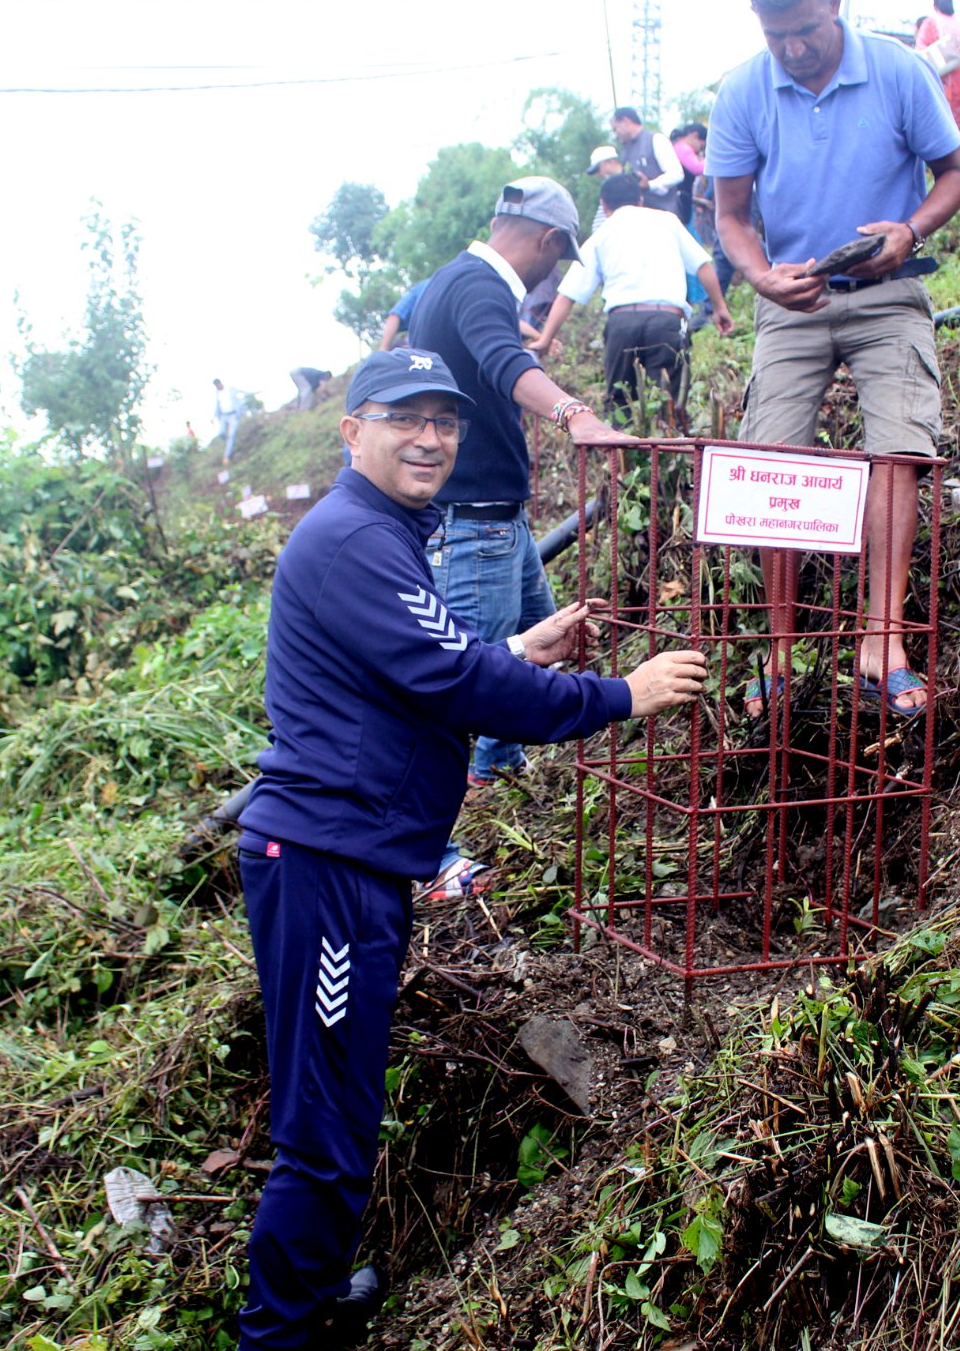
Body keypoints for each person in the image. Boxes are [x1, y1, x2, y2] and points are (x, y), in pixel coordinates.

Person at [230, 347, 706, 1350]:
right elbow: (454, 687)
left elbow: (417, 665)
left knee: (343, 1103)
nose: (431, 438)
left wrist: (521, 650)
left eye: (445, 421)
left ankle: (308, 1294)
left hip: (349, 858)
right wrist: (622, 695)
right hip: (325, 864)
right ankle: (279, 1334)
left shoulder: (387, 532)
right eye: (405, 418)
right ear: (350, 430)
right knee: (322, 1126)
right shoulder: (357, 537)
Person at [709, 0, 960, 718]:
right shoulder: (741, 91)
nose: (792, 50)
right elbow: (731, 215)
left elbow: (957, 173)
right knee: (771, 461)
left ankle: (881, 644)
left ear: (835, 3)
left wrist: (909, 232)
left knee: (896, 452)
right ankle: (782, 652)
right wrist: (762, 276)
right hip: (793, 298)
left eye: (804, 32)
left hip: (888, 292)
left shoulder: (898, 71)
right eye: (776, 37)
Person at [404, 178, 633, 792]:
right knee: (464, 687)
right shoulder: (482, 285)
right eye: (557, 261)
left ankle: (501, 768)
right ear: (547, 239)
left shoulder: (449, 280)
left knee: (543, 640)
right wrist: (576, 415)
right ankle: (444, 844)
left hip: (496, 521)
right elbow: (504, 361)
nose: (550, 277)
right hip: (474, 524)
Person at [528, 174, 735, 430]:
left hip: (622, 325)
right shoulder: (667, 222)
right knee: (670, 404)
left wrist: (546, 338)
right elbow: (703, 266)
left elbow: (568, 294)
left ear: (604, 205)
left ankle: (621, 464)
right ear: (640, 198)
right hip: (666, 321)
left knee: (620, 405)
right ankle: (671, 461)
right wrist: (720, 308)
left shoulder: (602, 234)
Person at [917, 0, 960, 134]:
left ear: (935, 6)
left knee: (938, 117)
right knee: (957, 118)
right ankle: (957, 150)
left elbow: (920, 53)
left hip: (940, 76)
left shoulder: (931, 23)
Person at [612, 106, 685, 213]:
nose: (615, 135)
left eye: (615, 129)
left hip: (664, 217)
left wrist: (650, 185)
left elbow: (677, 174)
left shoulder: (656, 139)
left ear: (626, 121)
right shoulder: (625, 151)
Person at [376, 276, 431, 351]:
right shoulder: (429, 286)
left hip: (423, 353)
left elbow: (395, 316)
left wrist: (383, 350)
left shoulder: (426, 285)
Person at [214, 378, 245, 462]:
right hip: (223, 416)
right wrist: (214, 417)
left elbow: (243, 392)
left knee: (231, 435)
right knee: (221, 433)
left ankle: (226, 456)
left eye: (218, 384)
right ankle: (229, 444)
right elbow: (217, 406)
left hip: (233, 415)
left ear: (220, 383)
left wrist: (256, 392)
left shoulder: (230, 389)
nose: (218, 386)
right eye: (216, 385)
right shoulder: (217, 393)